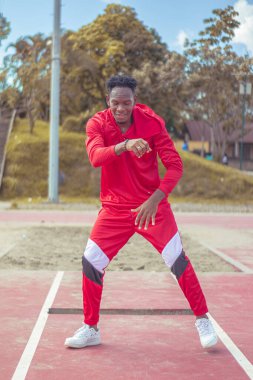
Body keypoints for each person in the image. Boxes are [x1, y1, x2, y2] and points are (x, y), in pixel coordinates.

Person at [65, 75, 218, 350]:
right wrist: (125, 145)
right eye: (115, 103)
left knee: (177, 260)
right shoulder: (97, 124)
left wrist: (156, 199)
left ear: (135, 102)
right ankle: (91, 328)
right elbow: (95, 157)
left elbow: (175, 166)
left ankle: (202, 318)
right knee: (91, 261)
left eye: (127, 103)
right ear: (107, 102)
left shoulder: (152, 123)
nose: (121, 109)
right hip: (114, 208)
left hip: (152, 207)